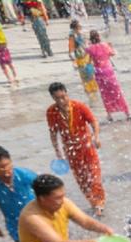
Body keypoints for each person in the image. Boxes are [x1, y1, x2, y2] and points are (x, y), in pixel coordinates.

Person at [46, 81, 105, 215]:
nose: (62, 101)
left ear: (67, 94)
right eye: (57, 98)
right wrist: (58, 152)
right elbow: (53, 133)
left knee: (94, 175)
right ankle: (93, 201)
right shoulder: (51, 112)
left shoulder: (79, 106)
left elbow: (93, 121)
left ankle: (99, 203)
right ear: (53, 98)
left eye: (63, 96)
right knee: (82, 179)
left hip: (87, 147)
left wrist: (96, 137)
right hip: (71, 151)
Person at [0, 146, 39, 242]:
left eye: (8, 165)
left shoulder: (25, 174)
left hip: (38, 217)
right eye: (1, 168)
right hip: (15, 224)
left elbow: (45, 191)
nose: (7, 170)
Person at [86, 30, 131, 122]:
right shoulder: (105, 45)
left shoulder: (90, 48)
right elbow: (113, 53)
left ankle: (109, 115)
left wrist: (88, 44)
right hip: (109, 72)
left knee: (105, 94)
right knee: (117, 92)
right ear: (99, 37)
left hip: (99, 73)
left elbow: (87, 55)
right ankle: (127, 112)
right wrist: (110, 46)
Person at [67, 19, 100, 100]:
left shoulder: (82, 34)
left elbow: (88, 44)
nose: (81, 26)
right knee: (86, 78)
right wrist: (74, 61)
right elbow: (71, 50)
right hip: (81, 60)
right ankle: (91, 96)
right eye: (79, 25)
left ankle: (95, 94)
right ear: (75, 28)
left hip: (88, 58)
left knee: (92, 76)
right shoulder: (72, 37)